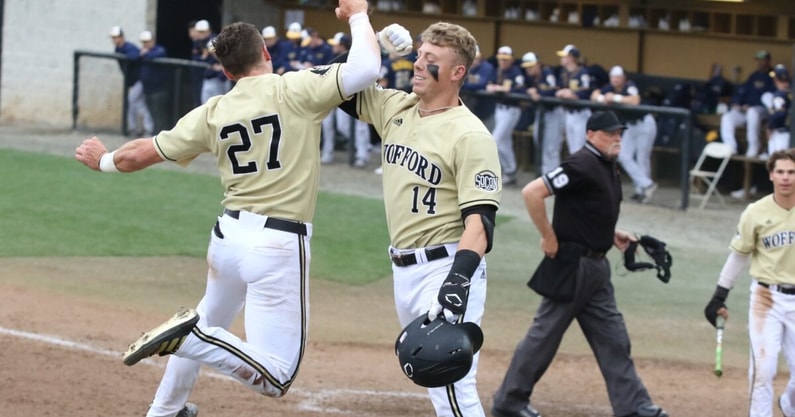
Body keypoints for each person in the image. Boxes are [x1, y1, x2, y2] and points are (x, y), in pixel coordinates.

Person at [75, 3, 386, 416]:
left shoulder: (213, 111)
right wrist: (360, 16)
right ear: (267, 54)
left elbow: (142, 154)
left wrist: (104, 159)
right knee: (277, 376)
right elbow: (365, 70)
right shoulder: (294, 87)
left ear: (226, 72)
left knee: (209, 320)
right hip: (277, 244)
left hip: (228, 239)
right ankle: (191, 339)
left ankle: (164, 411)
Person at [341, 21, 502, 417]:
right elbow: (332, 85)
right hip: (403, 269)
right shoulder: (395, 107)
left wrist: (457, 282)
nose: (417, 65)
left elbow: (480, 222)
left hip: (445, 268)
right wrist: (373, 45)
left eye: (431, 60)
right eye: (418, 55)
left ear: (456, 72)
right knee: (437, 383)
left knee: (451, 385)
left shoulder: (471, 136)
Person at [491, 110, 668, 417]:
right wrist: (547, 235)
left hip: (597, 270)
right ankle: (509, 402)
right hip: (572, 267)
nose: (617, 138)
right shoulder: (582, 163)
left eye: (619, 134)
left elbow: (586, 210)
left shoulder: (606, 165)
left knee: (614, 339)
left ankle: (633, 406)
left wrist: (611, 234)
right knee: (543, 338)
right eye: (610, 133)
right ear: (590, 135)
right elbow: (532, 192)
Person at [703, 148, 795, 417]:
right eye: (780, 172)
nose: (786, 177)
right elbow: (738, 256)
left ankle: (789, 405)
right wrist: (719, 295)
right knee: (764, 371)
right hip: (767, 299)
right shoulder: (755, 212)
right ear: (771, 175)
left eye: (791, 172)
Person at [591, 65, 657, 203]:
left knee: (642, 158)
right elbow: (594, 94)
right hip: (631, 126)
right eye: (612, 77)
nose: (614, 80)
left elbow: (635, 100)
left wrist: (615, 98)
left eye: (617, 77)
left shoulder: (630, 85)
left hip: (644, 123)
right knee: (623, 155)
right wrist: (603, 98)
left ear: (623, 78)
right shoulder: (610, 87)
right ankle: (646, 184)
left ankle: (642, 191)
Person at [321, 32, 371, 167]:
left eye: (336, 45)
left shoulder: (354, 56)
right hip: (333, 92)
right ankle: (328, 152)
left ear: (343, 46)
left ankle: (363, 153)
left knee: (355, 125)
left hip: (352, 94)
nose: (333, 47)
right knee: (329, 124)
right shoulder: (331, 55)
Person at [720, 50, 775, 157]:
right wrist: (736, 103)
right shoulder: (754, 75)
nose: (759, 63)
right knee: (727, 117)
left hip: (762, 111)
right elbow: (742, 91)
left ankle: (754, 146)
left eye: (762, 60)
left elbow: (770, 98)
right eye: (758, 60)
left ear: (768, 61)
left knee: (752, 112)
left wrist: (750, 105)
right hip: (745, 110)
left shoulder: (773, 76)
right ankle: (731, 147)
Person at [487, 45, 525, 186]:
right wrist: (494, 87)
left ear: (511, 59)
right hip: (499, 109)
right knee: (504, 143)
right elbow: (488, 84)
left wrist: (505, 89)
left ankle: (510, 169)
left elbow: (521, 90)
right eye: (501, 59)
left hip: (511, 110)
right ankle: (511, 171)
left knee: (495, 140)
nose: (502, 62)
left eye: (505, 59)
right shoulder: (498, 71)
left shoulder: (515, 72)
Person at [522, 51, 562, 175]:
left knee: (551, 147)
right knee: (539, 141)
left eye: (531, 66)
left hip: (554, 112)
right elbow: (520, 88)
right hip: (542, 112)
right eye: (527, 67)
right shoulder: (531, 77)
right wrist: (530, 91)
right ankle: (546, 176)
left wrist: (538, 93)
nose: (528, 69)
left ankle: (552, 177)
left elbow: (554, 92)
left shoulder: (547, 73)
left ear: (538, 64)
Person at [109, 26, 153, 137]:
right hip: (133, 81)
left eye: (116, 37)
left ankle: (144, 128)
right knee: (138, 104)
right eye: (113, 38)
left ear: (122, 37)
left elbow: (135, 55)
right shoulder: (118, 49)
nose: (114, 40)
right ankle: (140, 129)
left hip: (140, 80)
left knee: (132, 100)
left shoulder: (129, 47)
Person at [555, 44, 593, 155]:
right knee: (572, 149)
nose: (561, 58)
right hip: (568, 114)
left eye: (564, 56)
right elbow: (557, 89)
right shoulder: (564, 73)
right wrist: (562, 92)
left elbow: (587, 92)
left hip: (581, 114)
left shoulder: (583, 72)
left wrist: (574, 95)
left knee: (580, 149)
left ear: (571, 57)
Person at [138, 30, 171, 134]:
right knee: (151, 113)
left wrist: (145, 54)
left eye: (148, 41)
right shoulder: (143, 52)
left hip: (159, 89)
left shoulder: (159, 50)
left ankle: (161, 135)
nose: (146, 44)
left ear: (153, 41)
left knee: (160, 114)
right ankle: (154, 133)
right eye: (144, 42)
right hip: (147, 88)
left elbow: (157, 54)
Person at [461, 44, 496, 131]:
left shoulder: (487, 67)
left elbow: (482, 84)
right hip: (468, 110)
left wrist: (465, 84)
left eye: (475, 58)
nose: (473, 61)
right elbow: (457, 82)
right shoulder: (464, 67)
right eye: (470, 58)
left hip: (485, 110)